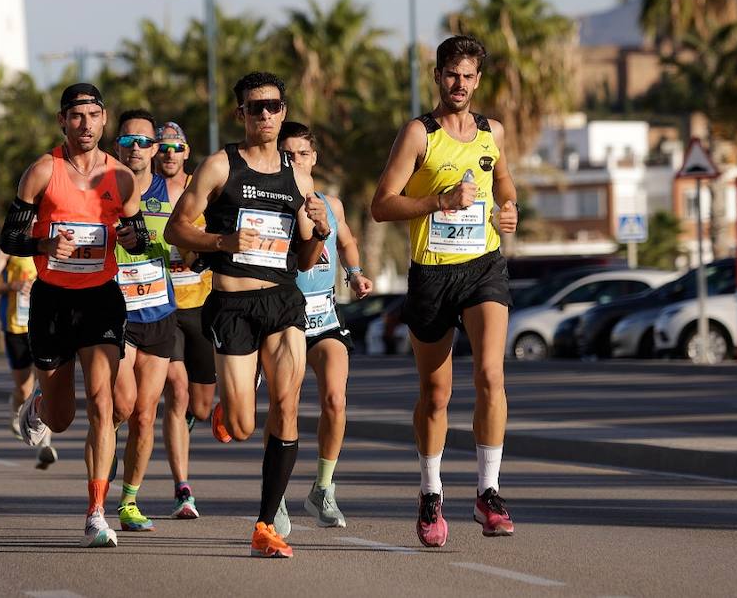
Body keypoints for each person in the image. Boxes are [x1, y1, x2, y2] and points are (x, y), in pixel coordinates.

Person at [164, 71, 329, 559]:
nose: (265, 115)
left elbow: (303, 257)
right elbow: (176, 230)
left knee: (288, 403)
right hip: (231, 304)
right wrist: (222, 242)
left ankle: (265, 524)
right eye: (255, 107)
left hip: (282, 301)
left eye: (273, 106)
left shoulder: (298, 177)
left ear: (283, 110)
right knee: (240, 426)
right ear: (240, 113)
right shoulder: (220, 166)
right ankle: (224, 410)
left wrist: (318, 232)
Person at [371, 35, 519, 546]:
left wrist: (509, 209)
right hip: (432, 273)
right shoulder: (418, 134)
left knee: (491, 374)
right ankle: (431, 492)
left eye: (469, 76)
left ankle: (488, 491)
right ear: (438, 77)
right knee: (436, 394)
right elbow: (382, 205)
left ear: (479, 81)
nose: (460, 84)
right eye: (451, 74)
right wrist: (440, 200)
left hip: (483, 267)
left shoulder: (491, 131)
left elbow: (504, 185)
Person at [0, 82, 146, 548]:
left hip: (100, 298)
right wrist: (44, 244)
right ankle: (39, 407)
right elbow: (10, 239)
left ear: (105, 120)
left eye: (94, 115)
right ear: (63, 121)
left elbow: (138, 235)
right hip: (52, 301)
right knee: (62, 417)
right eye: (76, 116)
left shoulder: (122, 178)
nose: (85, 124)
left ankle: (96, 511)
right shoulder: (43, 172)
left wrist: (130, 240)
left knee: (103, 403)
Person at [278, 121, 375, 529]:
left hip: (326, 318)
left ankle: (323, 489)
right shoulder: (276, 205)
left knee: (335, 399)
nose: (294, 160)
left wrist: (354, 273)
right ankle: (276, 495)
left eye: (301, 153)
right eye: (286, 155)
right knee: (287, 408)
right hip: (287, 320)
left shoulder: (330, 204)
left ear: (314, 158)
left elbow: (347, 239)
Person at [110, 109, 179, 533]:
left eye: (144, 141)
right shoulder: (103, 187)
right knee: (119, 405)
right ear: (117, 145)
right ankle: (103, 448)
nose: (136, 148)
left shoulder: (172, 192)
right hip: (114, 312)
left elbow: (191, 237)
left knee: (145, 414)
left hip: (159, 310)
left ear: (155, 148)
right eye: (128, 140)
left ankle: (129, 501)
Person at [156, 121, 212, 520]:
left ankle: (184, 426)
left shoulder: (203, 191)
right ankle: (183, 488)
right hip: (163, 305)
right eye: (163, 147)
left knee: (201, 405)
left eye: (176, 147)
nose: (169, 153)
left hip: (203, 304)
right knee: (176, 390)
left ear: (187, 152)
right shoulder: (147, 193)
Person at [0, 250, 58, 469]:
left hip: (45, 326)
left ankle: (45, 444)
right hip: (16, 327)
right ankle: (16, 407)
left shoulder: (53, 241)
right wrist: (12, 286)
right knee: (24, 390)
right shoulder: (8, 251)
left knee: (47, 386)